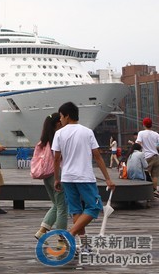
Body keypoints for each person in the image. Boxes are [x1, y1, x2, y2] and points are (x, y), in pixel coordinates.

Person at [52, 101, 115, 253]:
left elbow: (56, 159)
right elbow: (97, 156)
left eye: (61, 116)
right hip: (84, 177)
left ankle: (85, 245)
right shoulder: (87, 132)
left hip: (67, 177)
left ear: (67, 116)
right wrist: (107, 178)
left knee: (76, 211)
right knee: (95, 207)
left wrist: (56, 178)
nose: (60, 119)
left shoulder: (59, 133)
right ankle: (71, 234)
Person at [34, 113, 67, 240]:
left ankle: (42, 231)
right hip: (56, 176)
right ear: (57, 124)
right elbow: (59, 159)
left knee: (56, 204)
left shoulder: (44, 141)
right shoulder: (57, 140)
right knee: (62, 207)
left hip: (46, 175)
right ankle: (62, 237)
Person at [136, 117, 159, 197]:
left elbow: (138, 144)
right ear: (151, 125)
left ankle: (145, 192)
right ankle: (154, 190)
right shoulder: (156, 134)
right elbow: (158, 146)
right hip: (156, 156)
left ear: (144, 124)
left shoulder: (141, 133)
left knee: (145, 174)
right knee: (155, 175)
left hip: (146, 157)